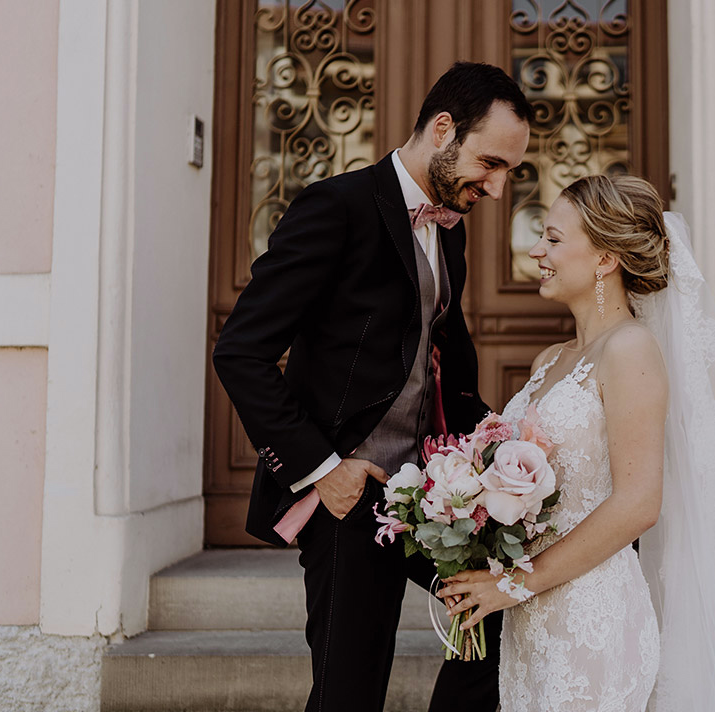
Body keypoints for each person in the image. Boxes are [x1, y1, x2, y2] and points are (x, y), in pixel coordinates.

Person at [438, 175, 715, 711]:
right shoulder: (548, 361)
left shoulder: (631, 351)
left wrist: (513, 585)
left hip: (590, 614)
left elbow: (639, 503)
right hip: (529, 616)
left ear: (605, 259)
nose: (536, 251)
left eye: (553, 239)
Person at [211, 61, 533, 712]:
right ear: (443, 129)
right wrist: (325, 469)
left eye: (509, 172)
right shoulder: (336, 209)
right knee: (349, 694)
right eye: (491, 164)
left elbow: (445, 356)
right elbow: (240, 351)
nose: (498, 188)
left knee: (500, 613)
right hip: (348, 499)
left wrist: (504, 448)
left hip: (427, 499)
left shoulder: (452, 229)